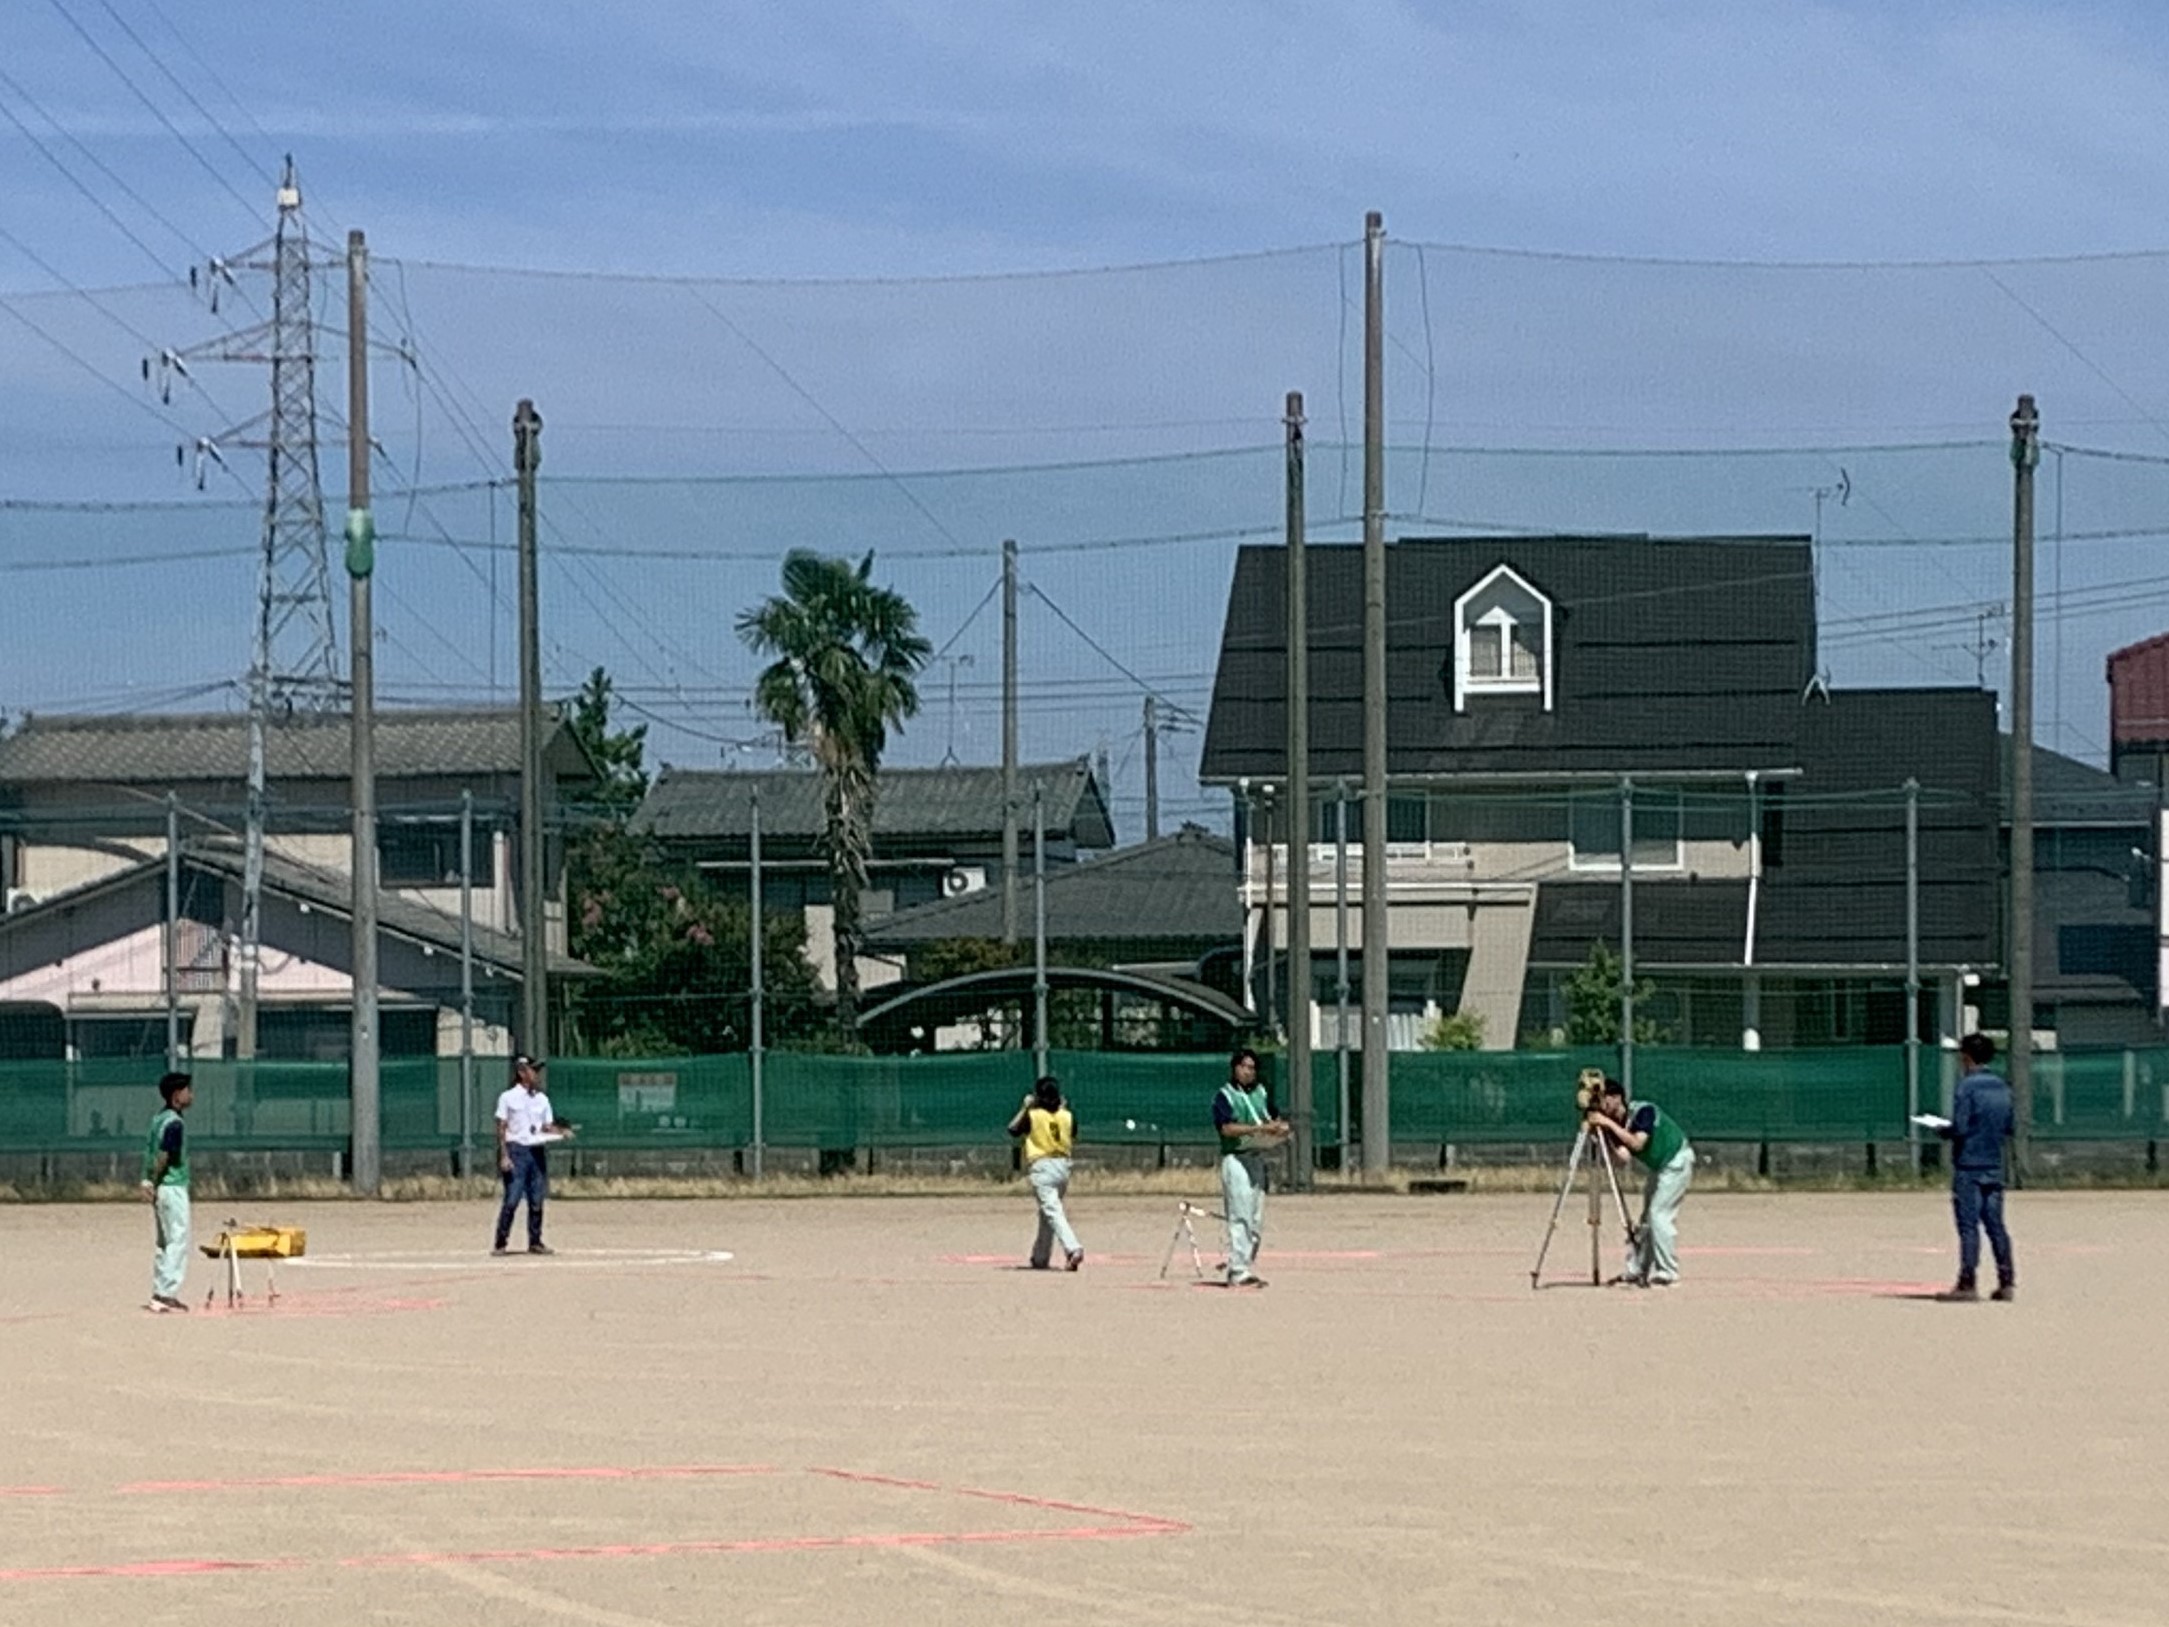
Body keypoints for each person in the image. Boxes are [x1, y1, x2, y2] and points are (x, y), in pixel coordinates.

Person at [1586, 1076, 1694, 1288]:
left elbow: (1636, 1143)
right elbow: (1622, 1158)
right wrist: (1603, 1138)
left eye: (1604, 1100)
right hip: (1660, 1168)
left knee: (1659, 1215)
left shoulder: (1643, 1111)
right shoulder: (1615, 1125)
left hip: (1676, 1161)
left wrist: (1607, 1124)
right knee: (1646, 1220)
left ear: (1616, 1098)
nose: (1601, 1106)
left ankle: (1668, 1272)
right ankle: (1637, 1270)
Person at [1936, 1033, 2017, 1302]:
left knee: (1968, 1225)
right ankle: (2006, 1282)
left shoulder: (1967, 1087)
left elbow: (1959, 1127)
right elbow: (2010, 1126)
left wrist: (1943, 1130)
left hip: (1969, 1164)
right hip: (1994, 1163)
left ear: (1966, 1056)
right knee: (1996, 1225)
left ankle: (1967, 1282)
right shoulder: (2003, 1087)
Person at [1213, 1047, 1289, 1289]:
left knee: (1256, 1218)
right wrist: (1256, 1130)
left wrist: (1279, 1128)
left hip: (1257, 1157)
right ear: (1234, 1068)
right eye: (1244, 1066)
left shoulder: (1261, 1093)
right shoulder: (1225, 1095)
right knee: (1240, 1214)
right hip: (1236, 1158)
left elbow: (1273, 1118)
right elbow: (1226, 1128)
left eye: (1252, 1068)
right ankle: (1237, 1270)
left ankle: (1245, 1263)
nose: (1248, 1072)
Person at [493, 1054, 574, 1256]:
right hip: (516, 1150)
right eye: (533, 1070)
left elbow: (545, 1127)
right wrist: (504, 1155)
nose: (536, 1074)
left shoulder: (542, 1099)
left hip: (536, 1151)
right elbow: (502, 1127)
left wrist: (560, 1131)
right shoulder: (507, 1097)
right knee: (512, 1199)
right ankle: (501, 1242)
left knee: (536, 1199)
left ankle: (535, 1241)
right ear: (521, 1072)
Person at [1007, 1076, 1084, 1271]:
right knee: (1047, 1213)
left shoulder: (1034, 1115)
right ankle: (1040, 1257)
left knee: (1052, 1211)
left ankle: (1072, 1248)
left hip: (1043, 1166)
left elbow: (1013, 1129)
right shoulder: (1066, 1115)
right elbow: (1073, 1132)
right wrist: (1062, 1108)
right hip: (1063, 1166)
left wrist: (1026, 1107)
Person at [141, 1071, 193, 1313]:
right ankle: (166, 1293)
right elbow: (163, 1155)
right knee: (177, 1239)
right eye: (187, 1090)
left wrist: (147, 1181)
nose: (190, 1095)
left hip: (161, 1188)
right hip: (172, 1185)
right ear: (176, 1095)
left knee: (164, 1241)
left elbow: (149, 1150)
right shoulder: (174, 1123)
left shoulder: (157, 1119)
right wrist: (154, 1178)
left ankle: (159, 1291)